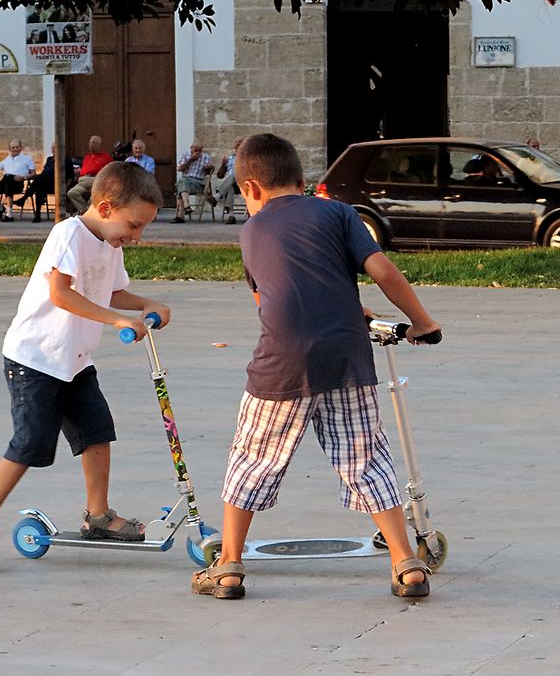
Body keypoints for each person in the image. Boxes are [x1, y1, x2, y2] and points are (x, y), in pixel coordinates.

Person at [190, 133, 442, 601]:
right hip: (346, 358)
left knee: (252, 459)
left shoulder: (252, 230)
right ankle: (406, 564)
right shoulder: (339, 212)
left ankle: (228, 567)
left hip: (280, 365)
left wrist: (342, 308)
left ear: (250, 188)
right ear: (303, 182)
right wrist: (421, 323)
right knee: (367, 459)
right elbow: (382, 270)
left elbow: (270, 301)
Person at [0, 161, 171, 572]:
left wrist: (145, 304)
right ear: (106, 209)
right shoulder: (68, 233)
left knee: (97, 431)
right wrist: (115, 320)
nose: (137, 236)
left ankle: (98, 516)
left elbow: (114, 291)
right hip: (35, 359)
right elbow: (61, 294)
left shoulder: (110, 245)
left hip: (74, 360)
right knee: (32, 443)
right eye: (134, 225)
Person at [13, 142, 75, 222]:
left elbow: (70, 177)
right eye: (52, 148)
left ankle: (24, 199)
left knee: (39, 178)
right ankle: (37, 216)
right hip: (46, 184)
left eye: (55, 148)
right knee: (39, 189)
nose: (53, 150)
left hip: (57, 185)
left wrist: (65, 189)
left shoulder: (66, 161)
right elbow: (44, 172)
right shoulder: (49, 159)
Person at [0, 139, 35, 222]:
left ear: (21, 148)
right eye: (13, 147)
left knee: (9, 182)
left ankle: (9, 215)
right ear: (10, 149)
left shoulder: (26, 158)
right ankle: (0, 207)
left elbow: (33, 174)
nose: (15, 149)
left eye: (17, 147)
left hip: (17, 182)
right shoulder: (7, 159)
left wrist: (24, 177)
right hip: (4, 181)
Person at [66, 135, 113, 213]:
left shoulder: (105, 157)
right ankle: (85, 211)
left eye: (94, 142)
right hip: (83, 181)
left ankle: (88, 212)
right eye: (90, 142)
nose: (91, 144)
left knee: (94, 196)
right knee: (72, 193)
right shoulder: (87, 157)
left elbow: (109, 171)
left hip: (96, 180)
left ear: (99, 145)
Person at [173, 141, 213, 223]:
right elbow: (179, 169)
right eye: (196, 150)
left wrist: (208, 168)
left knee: (180, 184)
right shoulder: (185, 156)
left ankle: (182, 214)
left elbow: (209, 173)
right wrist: (191, 159)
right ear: (191, 149)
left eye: (200, 151)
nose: (198, 153)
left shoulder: (205, 157)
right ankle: (186, 207)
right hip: (186, 182)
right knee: (182, 182)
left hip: (199, 182)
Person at [210, 138, 243, 225]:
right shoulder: (230, 158)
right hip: (230, 183)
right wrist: (223, 164)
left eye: (240, 143)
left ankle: (217, 196)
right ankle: (231, 216)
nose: (237, 144)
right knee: (230, 187)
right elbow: (220, 175)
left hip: (242, 183)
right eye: (236, 142)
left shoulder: (247, 158)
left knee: (235, 173)